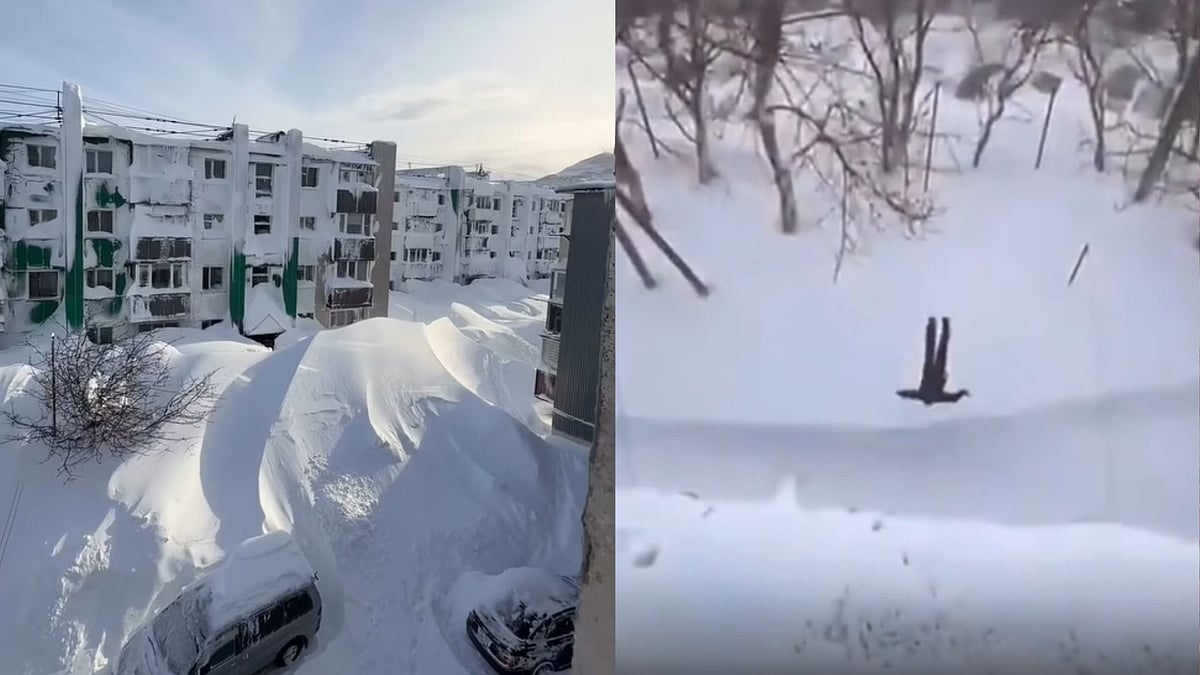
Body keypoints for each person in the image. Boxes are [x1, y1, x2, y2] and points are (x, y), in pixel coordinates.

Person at [896, 317, 970, 405]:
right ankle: (932, 322)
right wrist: (901, 394)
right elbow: (909, 394)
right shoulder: (922, 395)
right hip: (930, 370)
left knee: (942, 346)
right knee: (931, 347)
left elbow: (954, 398)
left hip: (938, 372)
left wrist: (962, 393)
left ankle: (942, 323)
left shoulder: (937, 397)